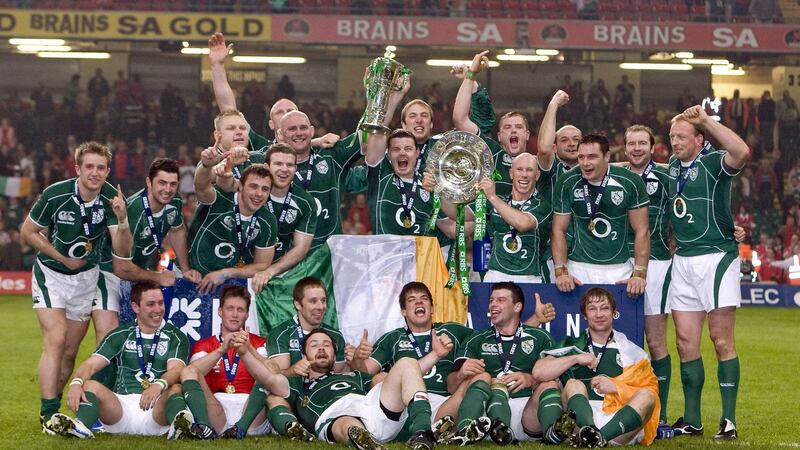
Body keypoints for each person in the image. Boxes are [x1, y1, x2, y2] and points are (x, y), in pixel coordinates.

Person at [21, 141, 131, 432]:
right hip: (51, 274)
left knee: (70, 351)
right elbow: (28, 231)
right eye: (89, 166)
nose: (95, 172)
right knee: (56, 339)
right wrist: (60, 257)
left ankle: (52, 409)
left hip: (86, 278)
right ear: (78, 168)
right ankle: (49, 413)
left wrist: (122, 219)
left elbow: (122, 249)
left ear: (108, 171)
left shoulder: (111, 198)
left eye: (101, 167)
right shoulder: (55, 193)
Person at [666, 105, 750, 440]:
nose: (675, 142)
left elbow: (742, 151)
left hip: (716, 257)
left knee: (720, 339)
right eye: (672, 137)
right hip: (683, 260)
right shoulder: (673, 167)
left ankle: (728, 421)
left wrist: (705, 120)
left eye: (681, 137)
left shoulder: (715, 162)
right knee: (685, 342)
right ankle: (692, 420)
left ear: (699, 139)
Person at [240, 327, 439, 450]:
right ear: (304, 355)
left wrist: (434, 355)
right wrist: (245, 352)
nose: (321, 348)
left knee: (406, 363)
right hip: (335, 416)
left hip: (372, 409)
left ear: (335, 356)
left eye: (326, 345)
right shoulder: (298, 384)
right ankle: (366, 443)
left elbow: (403, 377)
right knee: (347, 424)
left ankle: (423, 433)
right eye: (314, 345)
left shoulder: (354, 375)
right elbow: (267, 378)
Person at [49, 281, 192, 439]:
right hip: (121, 410)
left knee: (176, 388)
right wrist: (76, 383)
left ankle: (177, 429)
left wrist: (159, 385)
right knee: (90, 385)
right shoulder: (120, 334)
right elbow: (90, 364)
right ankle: (80, 427)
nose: (158, 309)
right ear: (135, 307)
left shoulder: (176, 336)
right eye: (151, 304)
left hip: (157, 409)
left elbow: (176, 370)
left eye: (160, 303)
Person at [533, 287, 660, 447]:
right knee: (573, 384)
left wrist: (617, 387)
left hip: (618, 422)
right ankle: (590, 431)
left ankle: (598, 437)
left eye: (604, 308)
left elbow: (651, 391)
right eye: (592, 309)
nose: (599, 314)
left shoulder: (632, 351)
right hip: (579, 421)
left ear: (614, 313)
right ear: (585, 315)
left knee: (648, 395)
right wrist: (575, 358)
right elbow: (539, 372)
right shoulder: (572, 345)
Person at [448, 282, 562, 445]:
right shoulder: (476, 340)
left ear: (517, 307)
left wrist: (530, 379)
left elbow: (559, 383)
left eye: (500, 300)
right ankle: (468, 431)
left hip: (529, 413)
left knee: (550, 384)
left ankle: (552, 434)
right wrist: (460, 375)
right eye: (491, 300)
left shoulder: (541, 337)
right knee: (486, 380)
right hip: (487, 416)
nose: (493, 304)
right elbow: (451, 387)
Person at [551, 133, 650, 297]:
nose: (585, 163)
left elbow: (642, 230)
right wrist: (561, 272)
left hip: (619, 270)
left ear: (607, 156)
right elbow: (558, 230)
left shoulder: (630, 181)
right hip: (578, 269)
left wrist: (640, 274)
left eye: (592, 157)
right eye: (581, 157)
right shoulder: (567, 181)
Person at [180, 284, 270, 439]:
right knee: (188, 370)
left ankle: (241, 427)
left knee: (267, 373)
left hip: (250, 411)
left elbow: (271, 374)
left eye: (240, 310)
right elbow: (191, 373)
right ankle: (204, 427)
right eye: (230, 308)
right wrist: (221, 350)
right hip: (217, 410)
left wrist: (248, 349)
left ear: (246, 315)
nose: (235, 314)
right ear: (220, 311)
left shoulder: (260, 343)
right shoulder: (204, 345)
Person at [190, 150, 277, 293]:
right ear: (240, 186)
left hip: (228, 284)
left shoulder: (268, 220)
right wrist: (206, 166)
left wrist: (226, 273)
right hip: (192, 277)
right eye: (253, 186)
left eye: (265, 189)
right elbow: (200, 185)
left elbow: (262, 265)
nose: (259, 194)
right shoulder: (219, 198)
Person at [113, 157, 201, 286]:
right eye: (162, 183)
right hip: (116, 276)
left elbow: (177, 230)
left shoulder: (175, 201)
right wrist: (158, 277)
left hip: (141, 272)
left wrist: (185, 269)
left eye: (173, 184)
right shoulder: (134, 211)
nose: (168, 190)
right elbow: (121, 268)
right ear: (149, 182)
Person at [452, 51, 528, 198]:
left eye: (519, 127)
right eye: (507, 127)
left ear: (527, 134)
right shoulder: (489, 153)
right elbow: (460, 120)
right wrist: (470, 76)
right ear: (499, 136)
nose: (513, 131)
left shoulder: (536, 163)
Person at [249, 144, 317, 291]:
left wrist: (270, 272)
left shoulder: (305, 202)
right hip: (242, 268)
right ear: (266, 167)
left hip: (277, 274)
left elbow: (301, 248)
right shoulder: (251, 194)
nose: (284, 169)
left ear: (295, 168)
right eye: (278, 164)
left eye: (290, 165)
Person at [364, 129, 450, 237]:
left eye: (408, 149)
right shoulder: (381, 176)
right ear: (388, 154)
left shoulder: (429, 185)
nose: (402, 153)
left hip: (419, 248)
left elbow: (450, 229)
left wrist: (440, 190)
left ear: (417, 153)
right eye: (396, 149)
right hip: (385, 248)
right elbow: (377, 136)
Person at [537, 89, 583, 281]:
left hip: (586, 253)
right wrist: (553, 104)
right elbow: (543, 148)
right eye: (564, 140)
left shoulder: (594, 172)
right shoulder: (550, 168)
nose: (572, 144)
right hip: (552, 252)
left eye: (576, 140)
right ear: (555, 147)